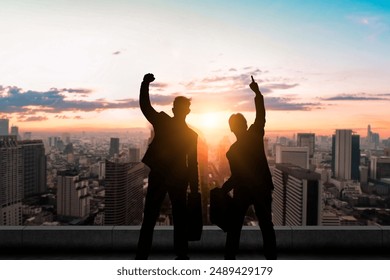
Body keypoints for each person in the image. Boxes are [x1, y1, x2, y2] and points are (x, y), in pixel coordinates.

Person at [135, 73, 199, 260]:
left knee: (149, 219)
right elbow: (193, 164)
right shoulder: (191, 135)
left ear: (173, 109)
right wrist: (194, 191)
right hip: (179, 180)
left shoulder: (163, 122)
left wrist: (145, 84)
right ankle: (181, 256)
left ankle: (142, 257)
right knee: (180, 220)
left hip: (160, 175)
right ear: (187, 111)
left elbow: (145, 108)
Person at [222, 76, 277, 260]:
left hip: (243, 192)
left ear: (231, 130)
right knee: (266, 226)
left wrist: (223, 189)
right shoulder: (254, 134)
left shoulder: (232, 151)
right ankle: (271, 259)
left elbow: (236, 176)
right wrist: (257, 93)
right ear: (245, 125)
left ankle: (229, 258)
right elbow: (261, 114)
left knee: (234, 227)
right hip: (261, 188)